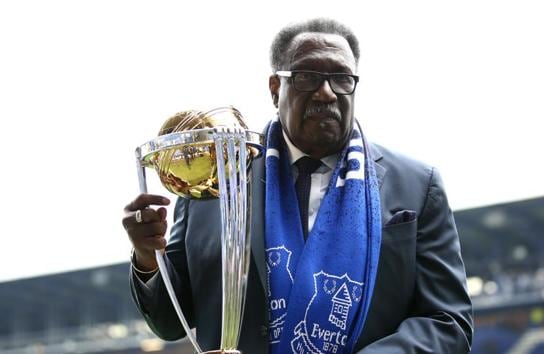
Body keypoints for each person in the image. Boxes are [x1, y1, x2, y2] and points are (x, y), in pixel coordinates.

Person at [122, 18, 473, 353]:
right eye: (307, 77)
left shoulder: (416, 185)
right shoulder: (217, 181)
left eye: (341, 78)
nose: (326, 93)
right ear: (276, 88)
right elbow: (171, 324)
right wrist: (147, 257)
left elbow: (447, 321)